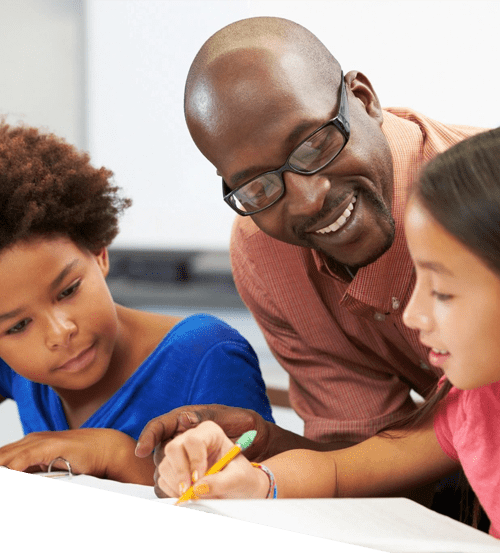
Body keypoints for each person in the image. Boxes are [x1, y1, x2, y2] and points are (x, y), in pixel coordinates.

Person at [136, 16, 483, 467]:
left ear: (364, 100)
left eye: (315, 145)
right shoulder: (265, 256)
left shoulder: (484, 201)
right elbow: (368, 461)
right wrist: (266, 446)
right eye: (258, 186)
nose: (308, 200)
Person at [155, 126, 500, 539]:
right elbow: (339, 470)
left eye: (442, 291)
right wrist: (255, 482)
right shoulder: (478, 405)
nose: (412, 315)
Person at [0, 119, 273, 483]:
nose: (60, 332)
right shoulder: (15, 366)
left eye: (68, 291)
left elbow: (254, 498)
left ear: (100, 254)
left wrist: (113, 453)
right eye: (18, 325)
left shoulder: (206, 355)